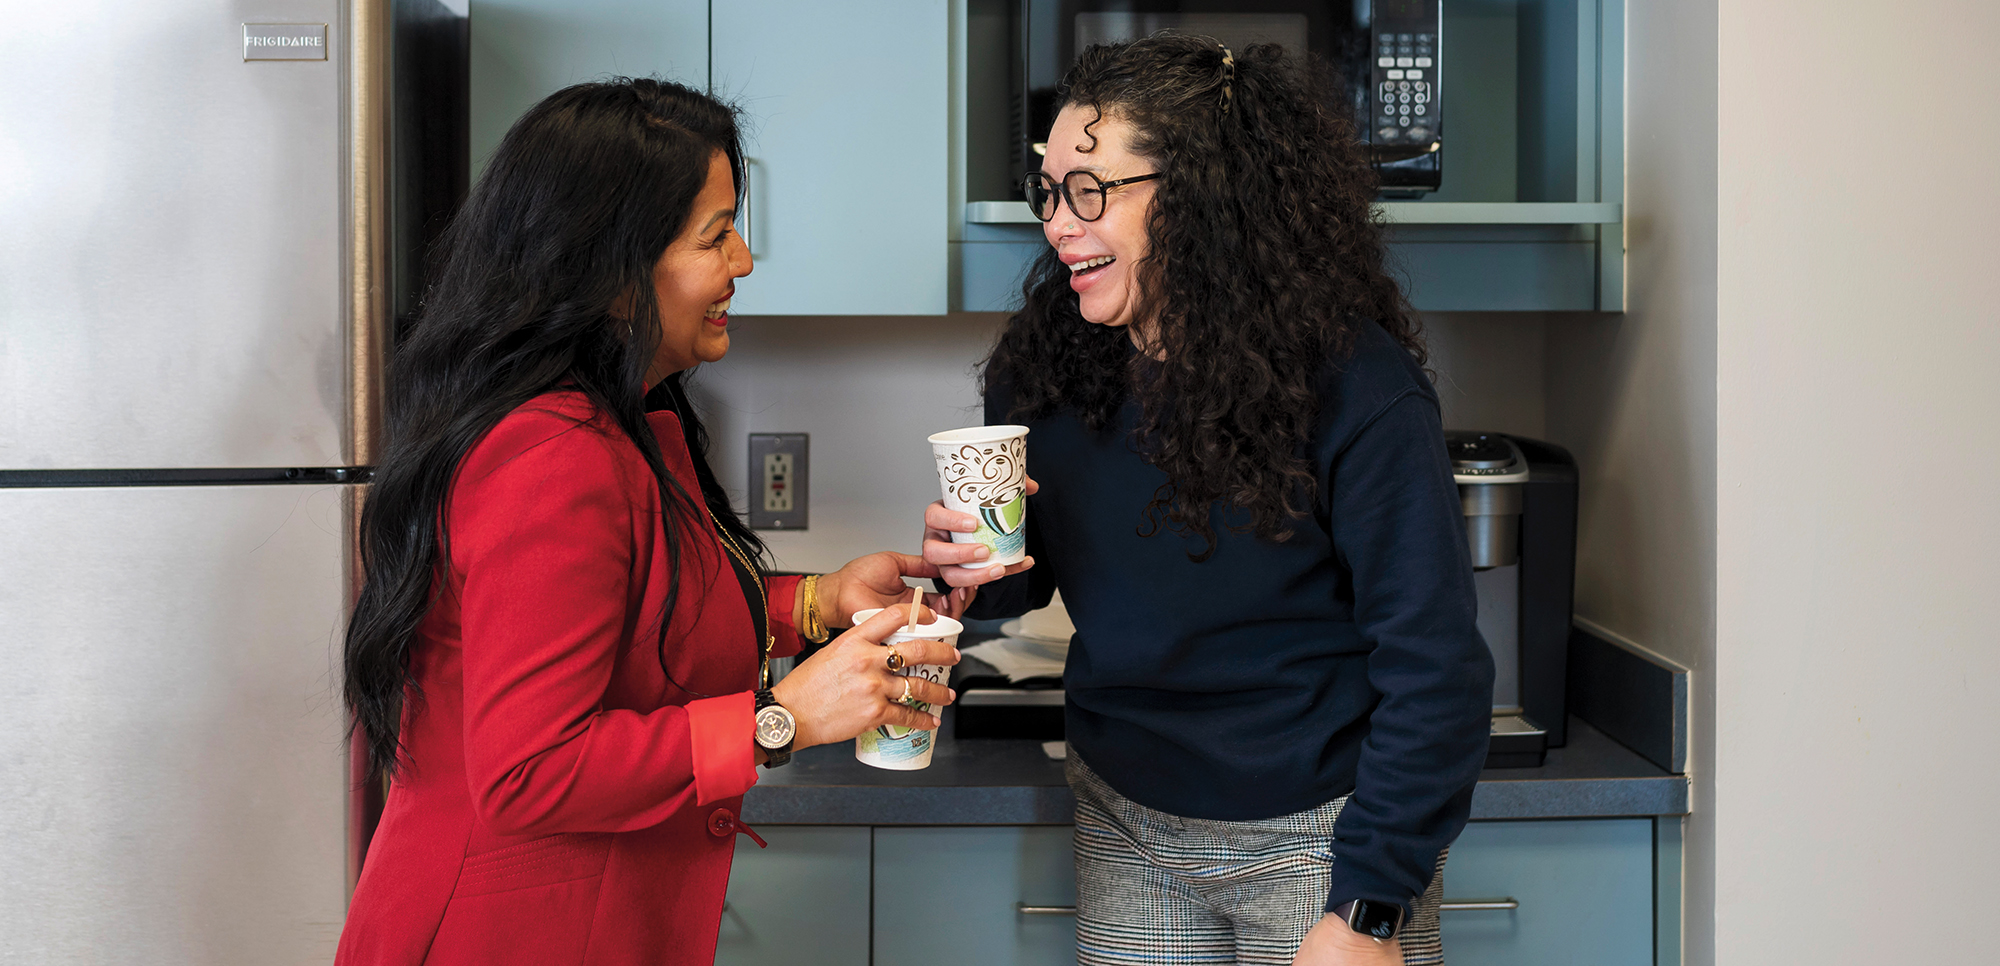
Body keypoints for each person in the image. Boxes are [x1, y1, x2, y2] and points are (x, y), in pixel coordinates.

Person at [336, 78, 957, 965]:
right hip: (507, 933)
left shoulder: (610, 422)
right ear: (610, 268)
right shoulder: (551, 455)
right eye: (716, 235)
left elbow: (639, 606)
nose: (743, 261)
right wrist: (779, 717)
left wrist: (814, 604)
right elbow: (530, 772)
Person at [924, 36, 1493, 966]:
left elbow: (1436, 664)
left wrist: (1370, 909)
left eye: (1090, 190)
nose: (1058, 225)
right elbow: (1028, 580)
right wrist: (967, 572)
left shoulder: (1357, 386)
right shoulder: (1049, 361)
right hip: (1127, 818)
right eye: (1050, 190)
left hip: (1326, 836)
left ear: (1197, 196)